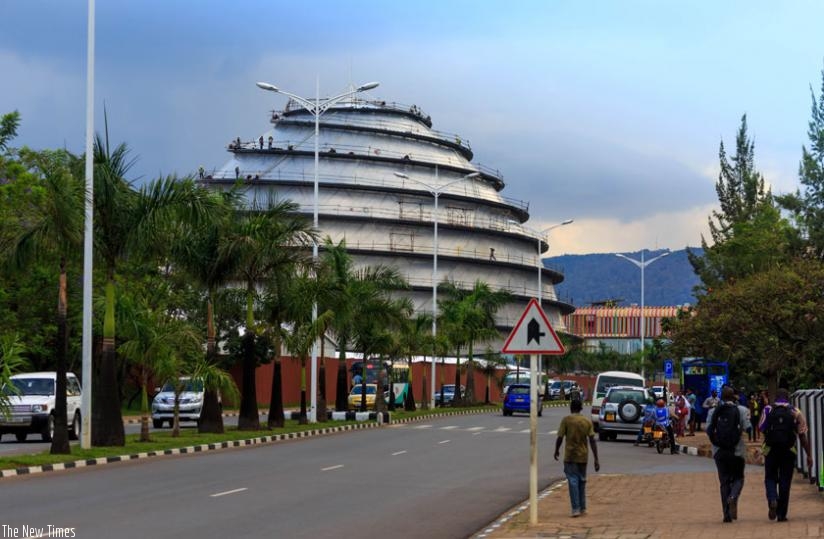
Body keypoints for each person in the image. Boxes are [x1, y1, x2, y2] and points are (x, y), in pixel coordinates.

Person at [758, 388, 813, 522]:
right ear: (788, 398)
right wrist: (809, 454)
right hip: (788, 450)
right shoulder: (795, 411)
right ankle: (782, 514)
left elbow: (761, 428)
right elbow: (802, 435)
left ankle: (772, 499)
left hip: (771, 450)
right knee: (785, 480)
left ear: (775, 398)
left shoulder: (768, 409)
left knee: (770, 477)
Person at [707, 386, 750, 523]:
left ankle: (726, 514)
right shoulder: (742, 410)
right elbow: (748, 428)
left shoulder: (713, 411)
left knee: (724, 481)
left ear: (721, 397)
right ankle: (733, 497)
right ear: (734, 397)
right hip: (737, 451)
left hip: (719, 451)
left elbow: (708, 430)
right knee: (738, 478)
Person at [554, 399, 600, 517]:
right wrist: (596, 459)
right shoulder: (586, 421)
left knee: (573, 481)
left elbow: (560, 437)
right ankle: (583, 508)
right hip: (583, 456)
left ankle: (576, 509)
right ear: (581, 408)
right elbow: (592, 440)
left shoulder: (566, 420)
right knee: (582, 481)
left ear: (571, 408)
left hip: (570, 456)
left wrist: (556, 450)